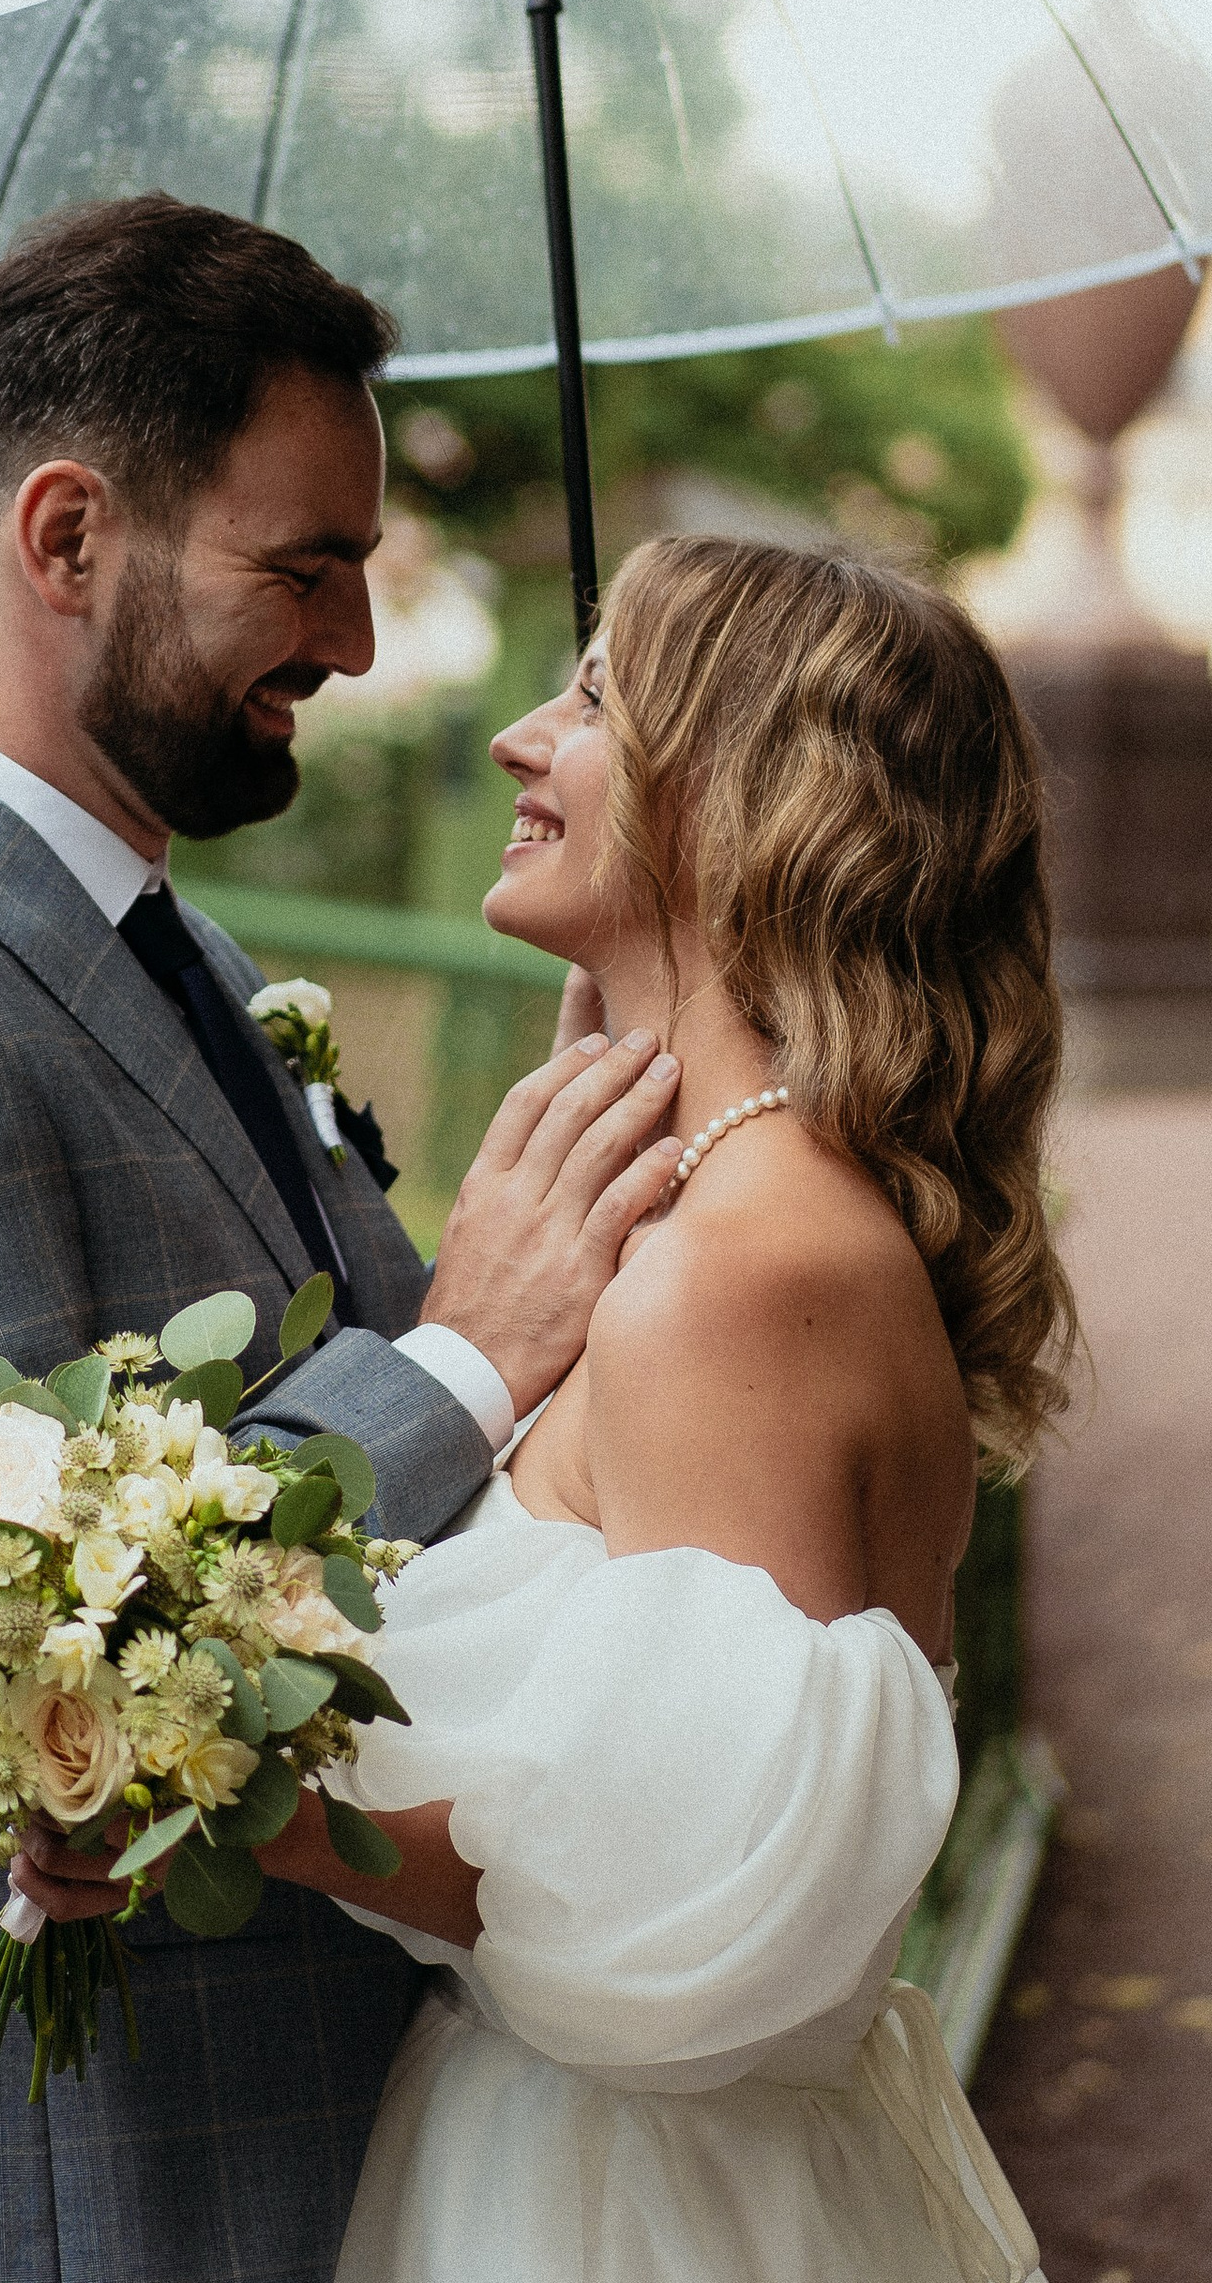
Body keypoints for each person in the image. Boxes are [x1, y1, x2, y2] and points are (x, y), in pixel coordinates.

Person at [0, 197, 683, 2283]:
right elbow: (41, 1675)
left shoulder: (179, 952)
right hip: (47, 2194)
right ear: (64, 538)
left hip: (294, 2162)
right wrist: (466, 1352)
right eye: (300, 566)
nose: (354, 642)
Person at [241, 534, 1072, 2282]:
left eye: (600, 693)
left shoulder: (736, 1276)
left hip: (624, 2207)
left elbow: (674, 1912)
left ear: (748, 797)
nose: (518, 739)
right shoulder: (705, 1224)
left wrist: (184, 1782)